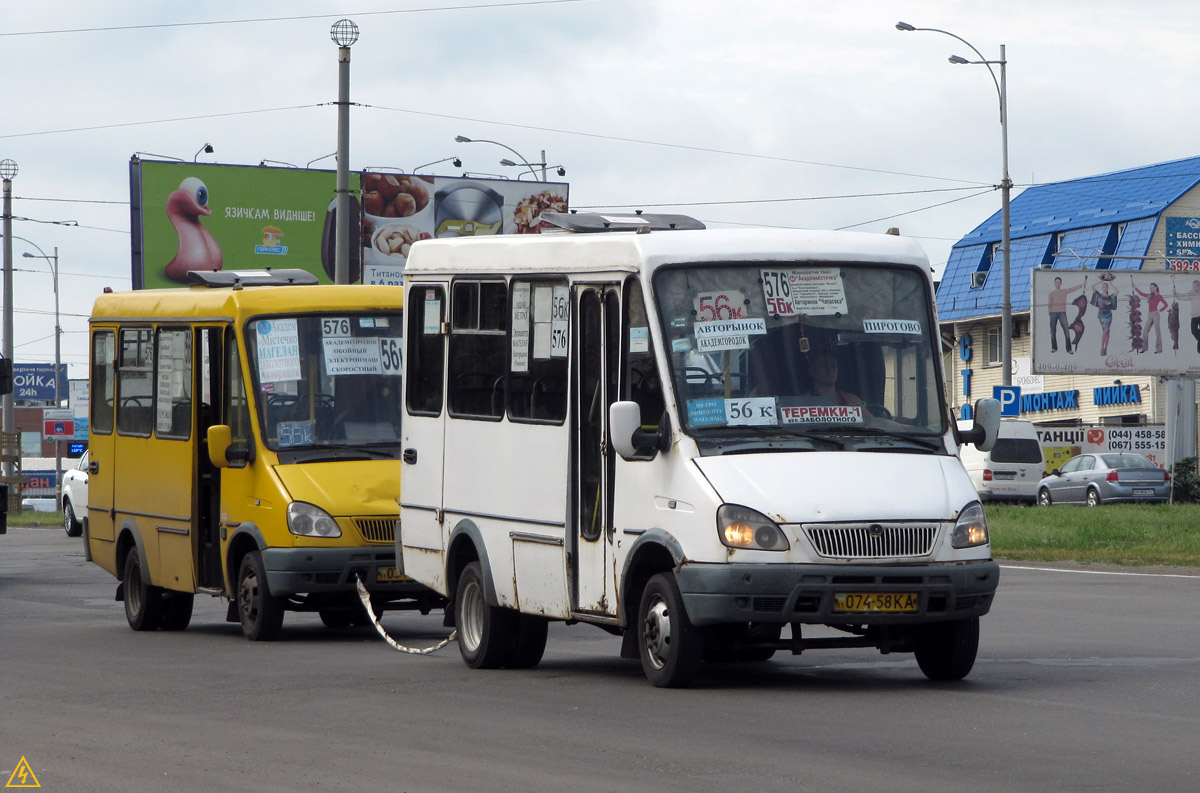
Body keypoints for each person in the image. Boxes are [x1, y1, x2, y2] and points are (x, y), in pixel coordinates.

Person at [1047, 276, 1085, 353]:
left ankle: (1069, 349)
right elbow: (1049, 304)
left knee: (1066, 330)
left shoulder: (1064, 291)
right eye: (1056, 282)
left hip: (1062, 313)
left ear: (1061, 283)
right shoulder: (1051, 293)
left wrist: (1081, 285)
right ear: (1054, 283)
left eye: (1058, 282)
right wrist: (1050, 312)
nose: (1057, 283)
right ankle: (1054, 347)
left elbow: (1072, 289)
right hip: (1053, 313)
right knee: (1052, 331)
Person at [1132, 280, 1168, 354]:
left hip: (1155, 314)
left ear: (1156, 287)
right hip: (1150, 314)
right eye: (1150, 288)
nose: (1151, 289)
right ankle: (1144, 347)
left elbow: (1166, 304)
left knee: (1157, 331)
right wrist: (1135, 287)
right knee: (1145, 330)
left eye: (1152, 288)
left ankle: (1159, 348)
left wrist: (1159, 310)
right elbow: (1141, 293)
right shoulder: (1150, 295)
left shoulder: (1159, 296)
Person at [1090, 278, 1119, 356]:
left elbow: (1117, 292)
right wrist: (1100, 281)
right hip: (1101, 315)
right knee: (1105, 331)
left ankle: (1105, 348)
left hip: (1108, 315)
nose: (1105, 288)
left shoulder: (1110, 297)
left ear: (1107, 288)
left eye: (1106, 287)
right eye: (1103, 287)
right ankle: (1102, 348)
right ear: (1102, 288)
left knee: (1107, 331)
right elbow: (1092, 286)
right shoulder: (1099, 295)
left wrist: (1111, 284)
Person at [1173, 279, 1200, 353]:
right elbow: (1184, 297)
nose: (1194, 288)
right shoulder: (1191, 292)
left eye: (1195, 287)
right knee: (1193, 331)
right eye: (1193, 287)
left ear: (1198, 286)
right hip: (1194, 315)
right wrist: (1176, 294)